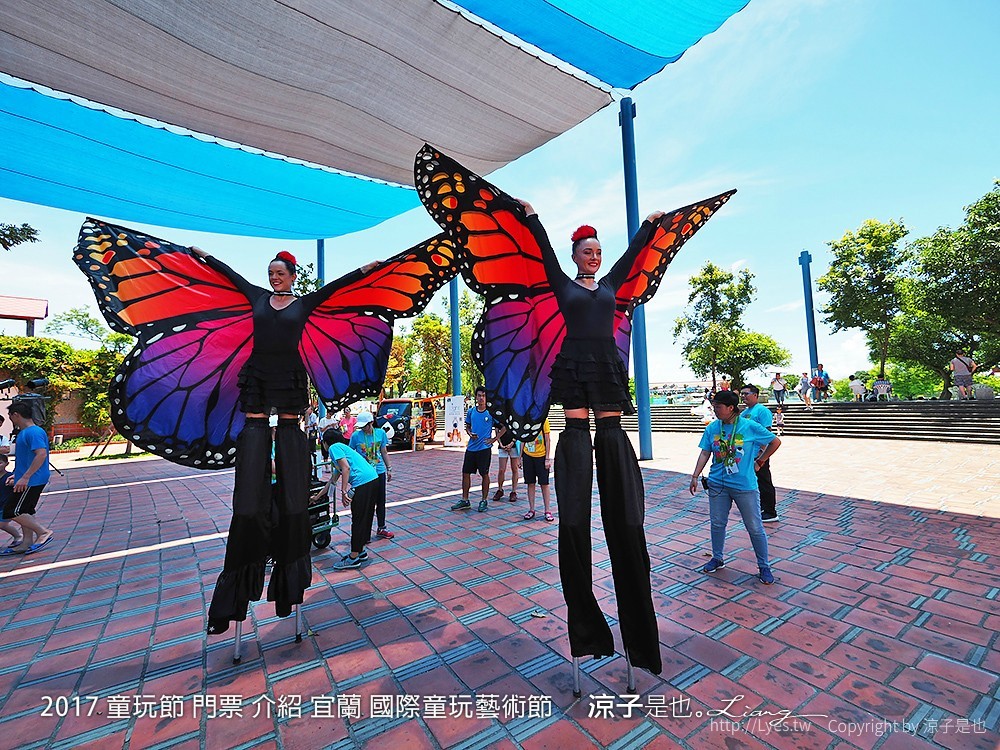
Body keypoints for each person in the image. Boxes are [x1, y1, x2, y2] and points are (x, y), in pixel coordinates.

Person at [189, 247, 375, 635]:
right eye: (270, 271)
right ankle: (235, 595)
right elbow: (227, 272)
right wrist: (202, 254)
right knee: (251, 468)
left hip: (290, 379)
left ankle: (288, 590)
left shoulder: (303, 304)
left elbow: (338, 288)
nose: (274, 276)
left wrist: (364, 268)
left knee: (292, 480)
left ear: (292, 275)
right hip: (258, 378)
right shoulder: (257, 297)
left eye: (281, 272)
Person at [515, 201, 665, 675]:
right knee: (576, 490)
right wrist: (534, 217)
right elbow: (540, 254)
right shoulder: (562, 284)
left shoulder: (611, 285)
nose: (595, 256)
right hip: (574, 370)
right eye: (587, 251)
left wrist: (646, 227)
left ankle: (639, 638)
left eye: (598, 250)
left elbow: (633, 256)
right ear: (575, 254)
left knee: (617, 469)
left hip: (606, 372)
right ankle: (588, 632)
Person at [689, 390, 779, 584]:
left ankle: (764, 566)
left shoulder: (749, 426)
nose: (715, 410)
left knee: (754, 527)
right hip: (717, 485)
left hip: (744, 485)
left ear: (731, 408)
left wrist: (760, 462)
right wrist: (695, 475)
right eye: (714, 407)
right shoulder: (713, 427)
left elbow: (775, 442)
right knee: (717, 523)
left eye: (718, 407)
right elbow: (705, 452)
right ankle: (717, 558)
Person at [318, 428, 379, 570]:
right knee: (364, 517)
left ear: (326, 442)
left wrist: (344, 491)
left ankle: (353, 558)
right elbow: (332, 480)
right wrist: (318, 496)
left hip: (363, 483)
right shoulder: (343, 449)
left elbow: (345, 469)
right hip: (372, 480)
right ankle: (360, 551)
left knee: (358, 519)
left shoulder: (334, 447)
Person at [3, 401, 54, 555]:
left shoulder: (33, 432)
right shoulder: (27, 432)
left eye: (10, 417)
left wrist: (25, 477)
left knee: (12, 511)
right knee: (25, 510)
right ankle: (26, 542)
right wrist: (16, 475)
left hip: (33, 479)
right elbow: (26, 458)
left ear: (16, 415)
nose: (11, 420)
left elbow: (41, 454)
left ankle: (43, 532)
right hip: (28, 478)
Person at [452, 387, 502, 512]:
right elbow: (467, 426)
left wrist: (495, 439)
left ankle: (484, 500)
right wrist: (469, 433)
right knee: (465, 473)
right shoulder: (471, 411)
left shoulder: (491, 413)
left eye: (483, 396)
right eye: (479, 395)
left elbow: (504, 426)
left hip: (484, 448)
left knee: (484, 474)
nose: (481, 398)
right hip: (471, 448)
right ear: (476, 397)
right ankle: (465, 499)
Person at [349, 411, 395, 540]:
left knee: (380, 501)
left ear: (371, 423)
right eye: (361, 426)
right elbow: (350, 453)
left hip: (379, 472)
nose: (363, 428)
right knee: (366, 503)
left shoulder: (380, 433)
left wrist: (389, 468)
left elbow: (384, 452)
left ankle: (381, 527)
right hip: (364, 475)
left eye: (365, 425)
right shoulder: (355, 436)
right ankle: (365, 533)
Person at [740, 385, 779, 523]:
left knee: (764, 481)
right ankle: (761, 508)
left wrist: (762, 454)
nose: (743, 396)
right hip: (748, 454)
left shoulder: (762, 411)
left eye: (746, 394)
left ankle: (770, 511)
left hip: (759, 454)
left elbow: (767, 433)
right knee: (753, 482)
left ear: (755, 395)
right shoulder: (744, 413)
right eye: (742, 394)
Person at [521, 419, 553, 522]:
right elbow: (523, 439)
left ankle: (547, 510)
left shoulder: (544, 420)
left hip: (541, 456)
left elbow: (547, 439)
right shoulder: (525, 420)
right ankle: (531, 509)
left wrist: (547, 458)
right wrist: (519, 457)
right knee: (530, 483)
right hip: (528, 455)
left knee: (544, 483)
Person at [0, 454, 24, 550]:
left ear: (6, 464)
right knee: (3, 525)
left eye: (0, 463)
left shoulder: (9, 477)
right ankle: (18, 536)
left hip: (6, 505)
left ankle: (18, 536)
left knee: (2, 524)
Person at [493, 431, 521, 503]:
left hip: (514, 446)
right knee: (501, 469)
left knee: (514, 469)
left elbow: (517, 431)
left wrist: (511, 443)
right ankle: (500, 489)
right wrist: (501, 444)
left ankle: (513, 491)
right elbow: (497, 432)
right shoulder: (499, 421)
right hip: (502, 446)